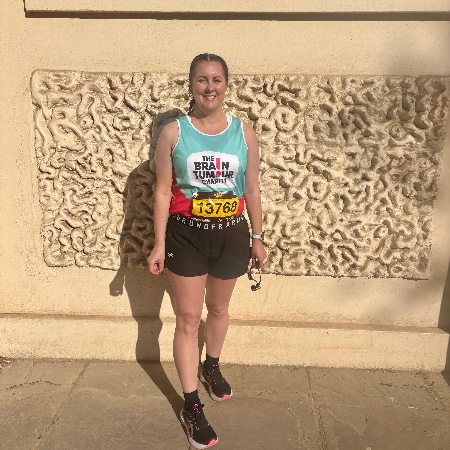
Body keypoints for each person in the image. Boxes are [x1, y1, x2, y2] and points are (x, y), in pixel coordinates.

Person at [147, 53, 266, 449]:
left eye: (216, 79)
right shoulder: (173, 133)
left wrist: (258, 237)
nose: (209, 87)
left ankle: (210, 367)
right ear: (191, 85)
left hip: (231, 234)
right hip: (186, 236)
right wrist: (159, 243)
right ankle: (191, 405)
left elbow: (252, 189)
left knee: (218, 308)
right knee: (186, 318)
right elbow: (162, 191)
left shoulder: (244, 133)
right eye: (202, 79)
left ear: (226, 85)